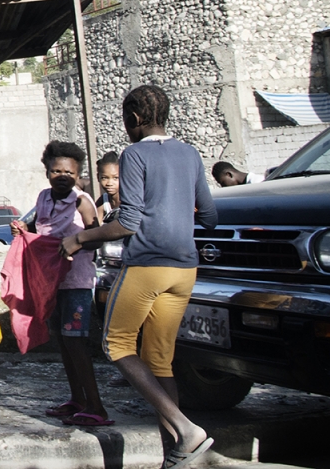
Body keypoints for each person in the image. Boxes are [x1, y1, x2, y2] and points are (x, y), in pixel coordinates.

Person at [61, 85, 217, 469]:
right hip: (185, 268)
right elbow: (210, 217)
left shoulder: (134, 154)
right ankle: (175, 455)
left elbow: (128, 222)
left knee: (116, 345)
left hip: (147, 265)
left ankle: (186, 429)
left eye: (124, 119)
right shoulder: (190, 153)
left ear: (133, 119)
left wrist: (80, 238)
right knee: (159, 361)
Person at [16, 141, 111, 427]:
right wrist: (23, 230)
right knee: (64, 342)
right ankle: (77, 399)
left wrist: (76, 243)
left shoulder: (81, 201)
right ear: (47, 171)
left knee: (77, 343)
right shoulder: (43, 198)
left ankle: (96, 406)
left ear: (78, 174)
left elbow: (96, 236)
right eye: (57, 171)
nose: (63, 176)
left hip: (76, 281)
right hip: (50, 282)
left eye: (69, 172)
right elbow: (38, 229)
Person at [95, 151, 121, 217]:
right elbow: (96, 222)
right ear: (98, 177)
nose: (109, 183)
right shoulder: (103, 200)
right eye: (104, 178)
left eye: (115, 178)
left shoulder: (130, 200)